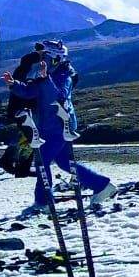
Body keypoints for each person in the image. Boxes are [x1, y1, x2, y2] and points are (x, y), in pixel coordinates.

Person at [14, 42, 114, 214]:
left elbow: (59, 96)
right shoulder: (49, 74)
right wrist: (13, 84)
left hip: (60, 126)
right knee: (64, 162)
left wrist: (45, 79)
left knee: (42, 161)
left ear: (55, 58)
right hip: (51, 126)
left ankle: (43, 202)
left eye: (45, 56)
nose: (42, 60)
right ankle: (102, 185)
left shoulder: (64, 75)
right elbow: (31, 91)